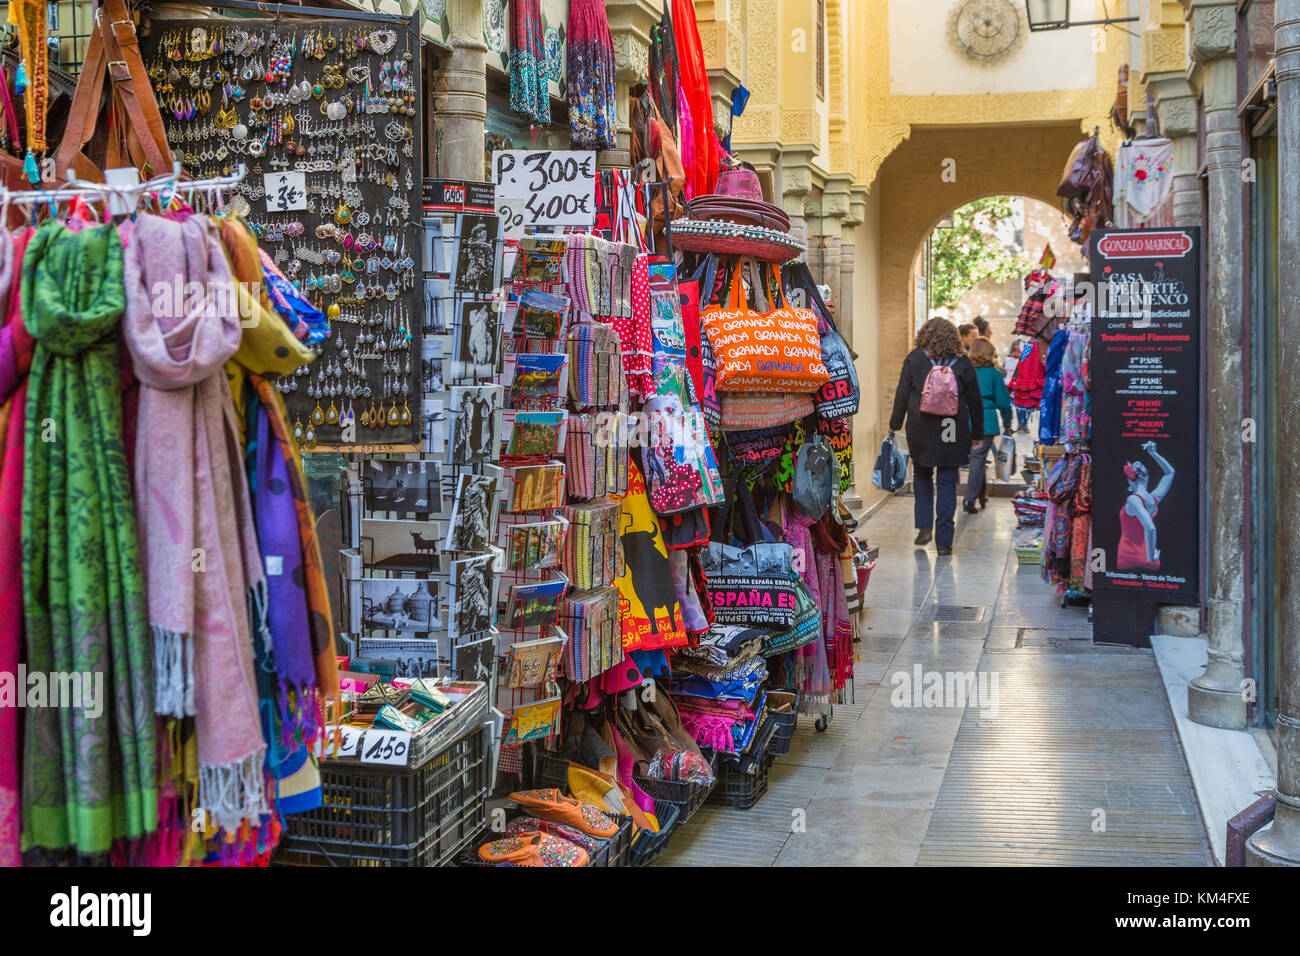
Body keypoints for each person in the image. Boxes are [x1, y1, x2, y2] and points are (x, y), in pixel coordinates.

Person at [890, 317, 985, 555]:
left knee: (922, 475)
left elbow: (902, 393)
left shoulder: (914, 359)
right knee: (946, 480)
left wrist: (894, 424)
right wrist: (978, 433)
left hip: (920, 425)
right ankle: (944, 541)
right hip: (950, 426)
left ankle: (924, 527)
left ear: (924, 335)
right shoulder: (963, 362)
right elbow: (975, 400)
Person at [964, 338, 1013, 514]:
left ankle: (981, 495)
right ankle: (969, 499)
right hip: (986, 421)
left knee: (977, 458)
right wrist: (1008, 424)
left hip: (966, 419)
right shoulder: (994, 374)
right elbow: (1004, 403)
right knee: (977, 458)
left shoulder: (966, 372)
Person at [1117, 441, 1175, 571]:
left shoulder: (1133, 499)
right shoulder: (1154, 499)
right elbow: (1170, 473)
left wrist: (1151, 556)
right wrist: (1154, 454)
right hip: (1150, 559)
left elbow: (1150, 528)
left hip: (1129, 557)